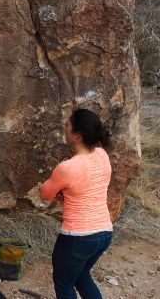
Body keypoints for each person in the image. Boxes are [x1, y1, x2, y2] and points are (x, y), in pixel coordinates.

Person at [39, 109, 113, 299]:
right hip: (104, 232)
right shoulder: (102, 155)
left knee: (64, 284)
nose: (65, 126)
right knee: (81, 276)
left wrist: (59, 191)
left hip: (78, 236)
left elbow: (45, 193)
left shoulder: (67, 167)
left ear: (77, 135)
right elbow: (90, 186)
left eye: (68, 124)